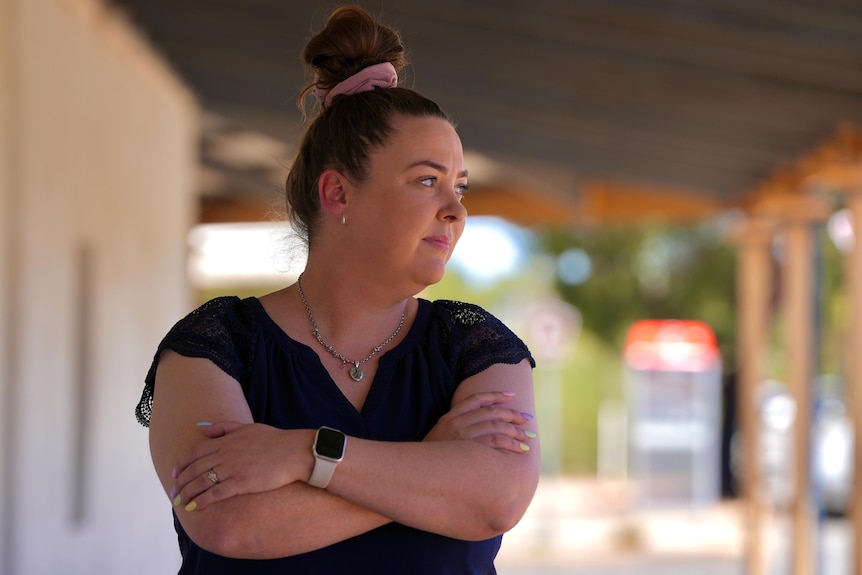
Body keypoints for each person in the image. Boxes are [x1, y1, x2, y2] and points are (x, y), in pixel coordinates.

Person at [135, 5, 540, 574]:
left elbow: (495, 500)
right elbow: (230, 521)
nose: (456, 211)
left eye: (460, 186)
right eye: (427, 180)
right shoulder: (215, 344)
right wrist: (428, 464)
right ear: (338, 194)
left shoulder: (471, 344)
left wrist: (306, 454)